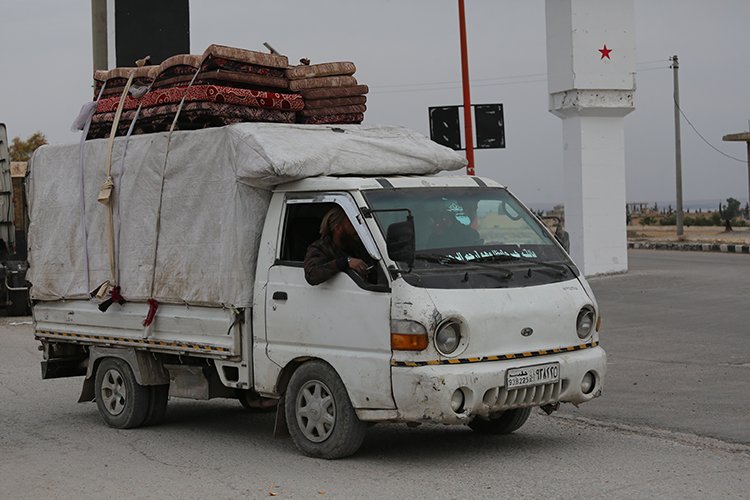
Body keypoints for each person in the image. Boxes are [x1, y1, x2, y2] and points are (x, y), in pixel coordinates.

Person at [304, 206, 376, 286]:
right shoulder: (320, 248)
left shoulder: (358, 245)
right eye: (352, 224)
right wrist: (346, 262)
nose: (356, 229)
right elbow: (312, 275)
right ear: (338, 228)